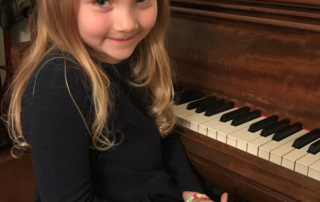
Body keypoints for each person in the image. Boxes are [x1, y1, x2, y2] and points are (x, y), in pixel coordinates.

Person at [5, 0, 228, 202]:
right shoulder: (58, 83)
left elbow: (163, 136)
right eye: (102, 1)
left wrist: (192, 192)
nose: (127, 24)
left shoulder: (136, 56)